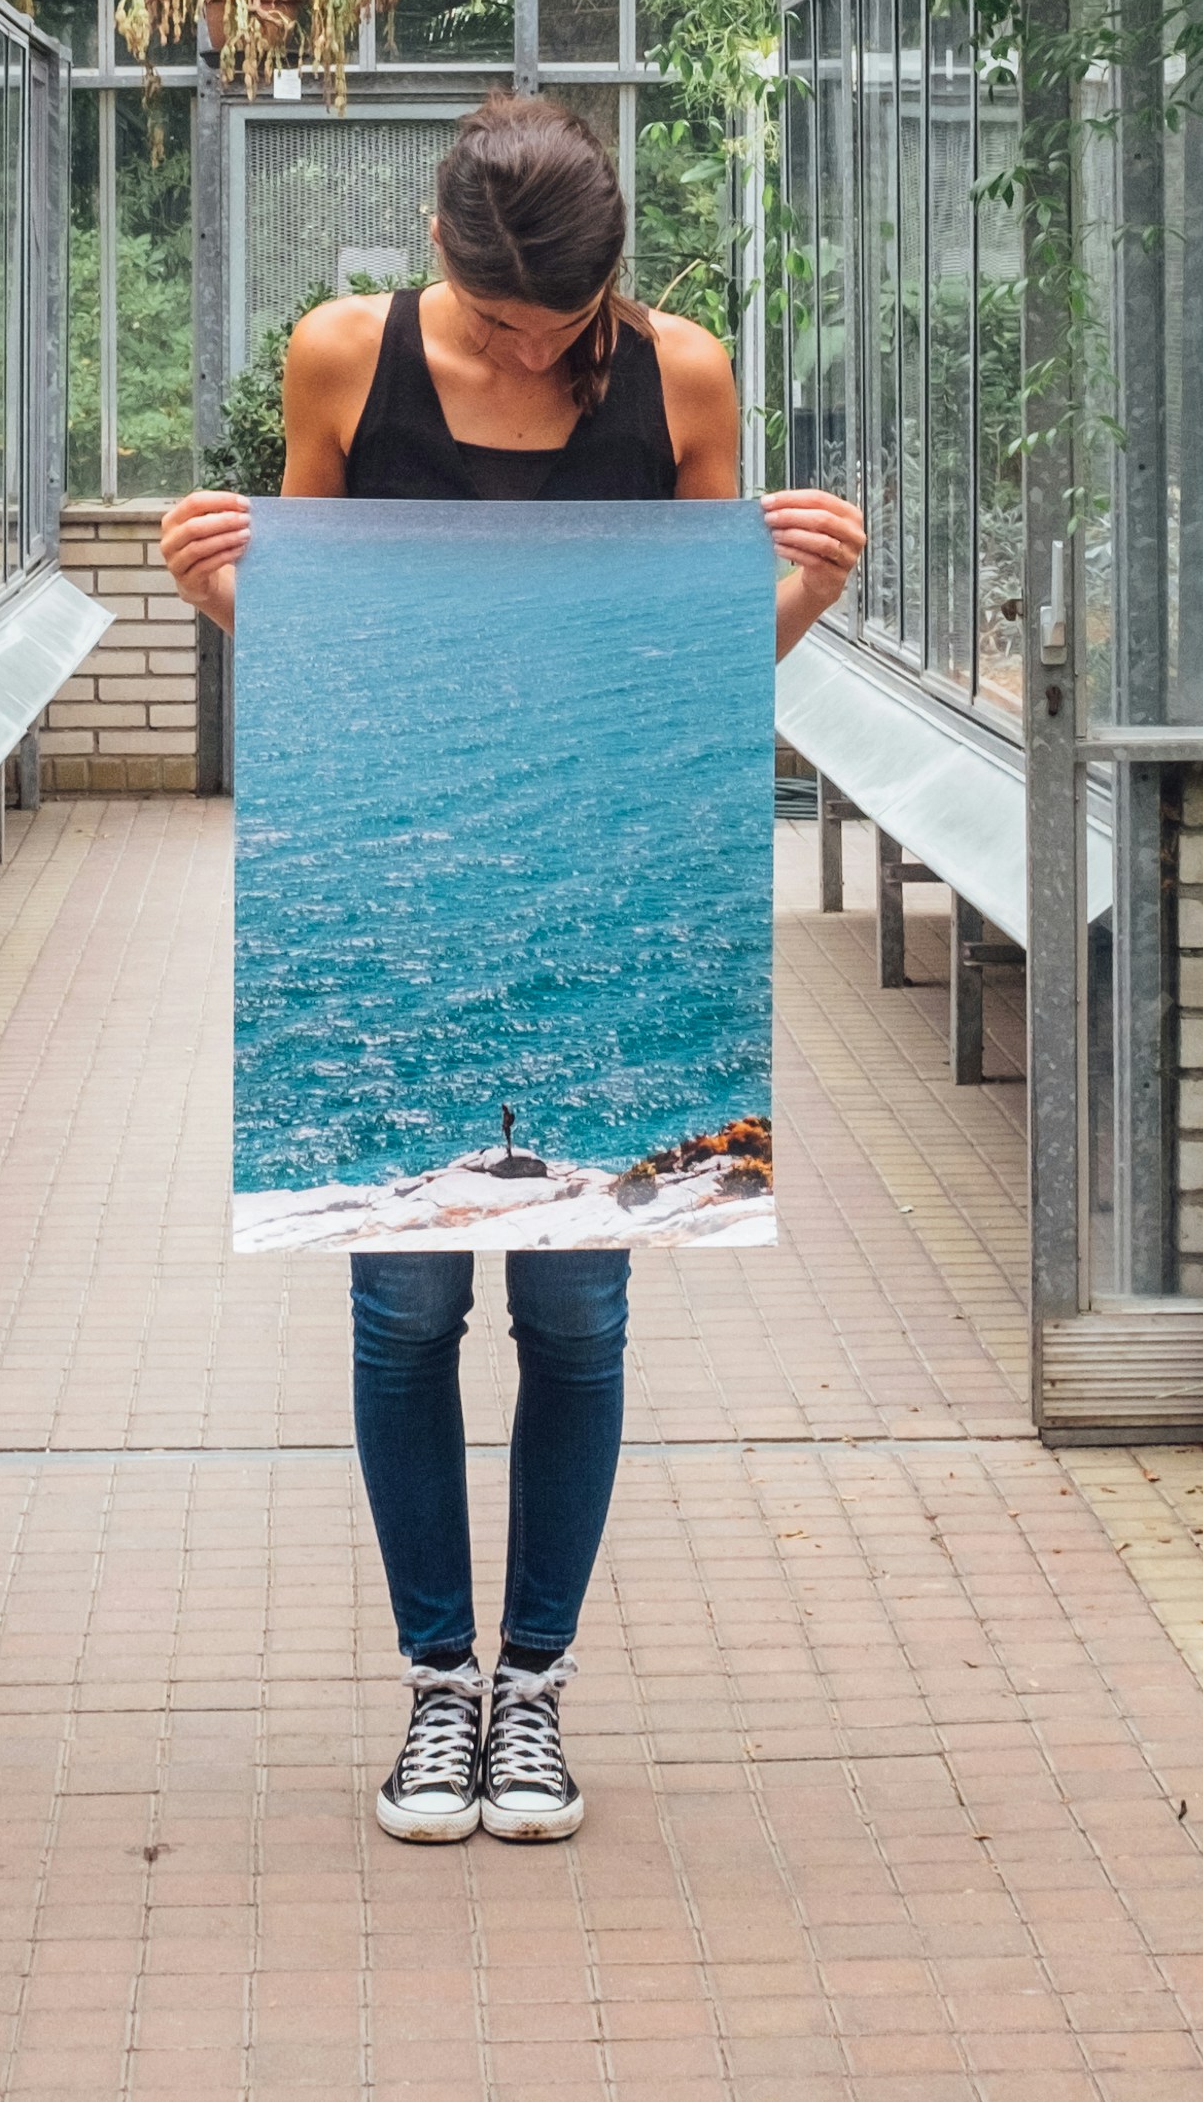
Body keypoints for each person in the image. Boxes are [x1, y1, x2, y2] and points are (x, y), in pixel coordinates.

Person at [159, 94, 866, 1846]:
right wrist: (224, 595)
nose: (535, 348)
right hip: (389, 886)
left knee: (574, 1305)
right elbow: (332, 648)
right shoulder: (340, 358)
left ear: (617, 275)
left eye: (563, 323)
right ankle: (434, 1696)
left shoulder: (681, 376)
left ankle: (532, 1693)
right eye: (497, 324)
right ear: (433, 255)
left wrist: (801, 598)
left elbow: (691, 677)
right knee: (402, 1307)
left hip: (619, 886)